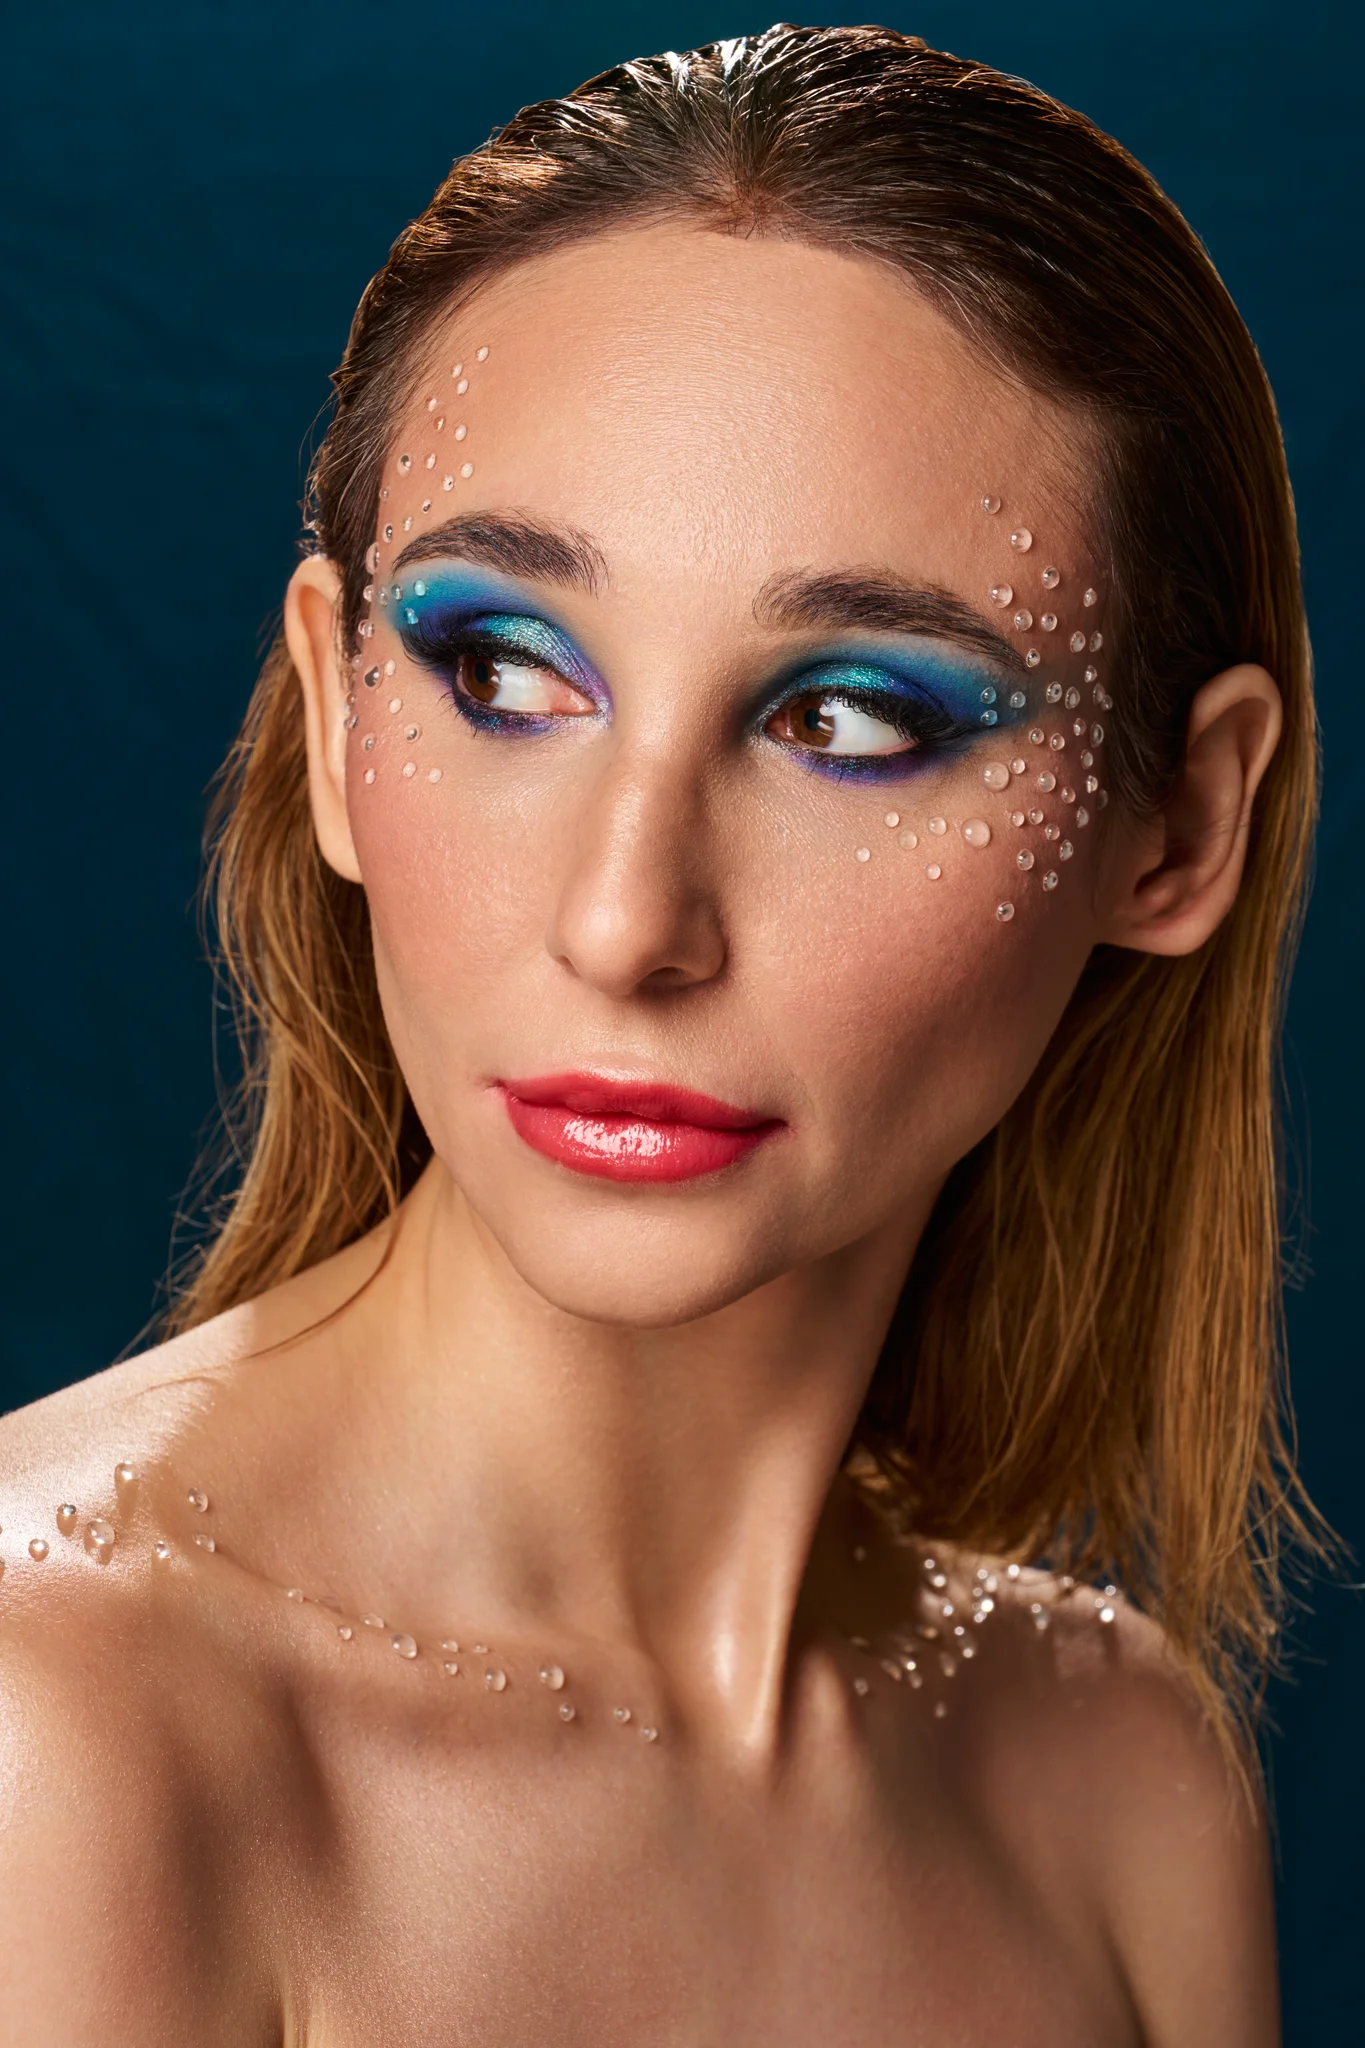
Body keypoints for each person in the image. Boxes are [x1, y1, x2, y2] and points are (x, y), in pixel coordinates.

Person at [0, 25, 1317, 2042]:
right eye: (504, 669)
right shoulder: (56, 1739)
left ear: (1183, 825)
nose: (626, 923)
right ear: (335, 717)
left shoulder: (1117, 1777)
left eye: (850, 720)